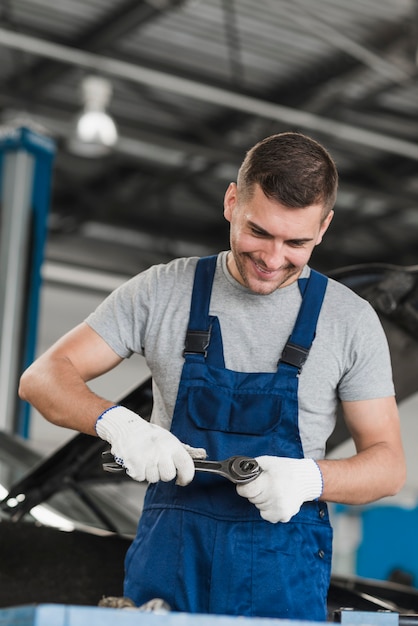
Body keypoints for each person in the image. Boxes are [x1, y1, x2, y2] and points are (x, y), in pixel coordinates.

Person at [19, 132, 406, 621]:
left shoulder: (349, 321)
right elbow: (43, 377)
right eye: (259, 232)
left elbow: (389, 465)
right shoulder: (162, 291)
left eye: (297, 242)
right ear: (231, 202)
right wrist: (121, 426)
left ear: (324, 226)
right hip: (170, 566)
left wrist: (311, 477)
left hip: (281, 578)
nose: (272, 258)